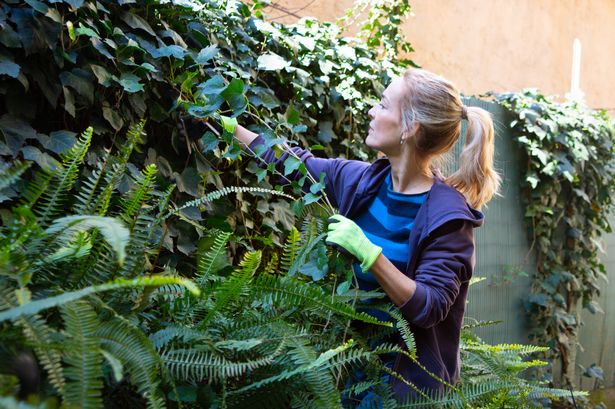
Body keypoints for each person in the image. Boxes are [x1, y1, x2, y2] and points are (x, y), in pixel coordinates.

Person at [231, 67, 501, 403]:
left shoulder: (448, 219)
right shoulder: (360, 182)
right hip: (345, 377)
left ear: (410, 128)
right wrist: (225, 126)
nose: (372, 111)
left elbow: (430, 306)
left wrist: (370, 255)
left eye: (384, 105)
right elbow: (293, 165)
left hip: (406, 391)